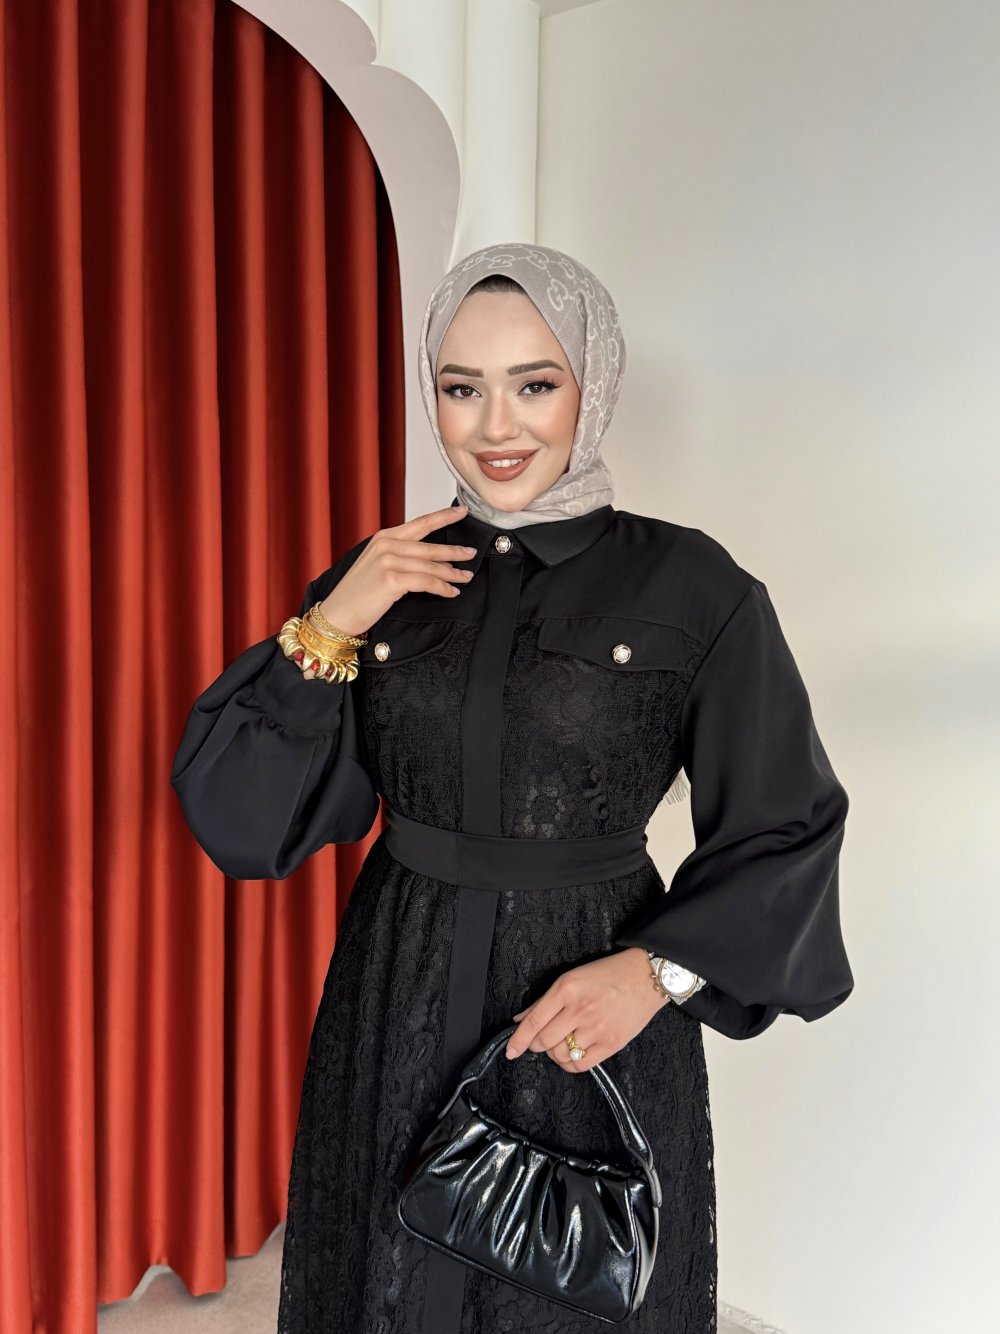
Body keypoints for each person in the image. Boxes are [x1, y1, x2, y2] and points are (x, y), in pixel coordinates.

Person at [170, 241, 853, 1333]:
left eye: (534, 384)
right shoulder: (382, 580)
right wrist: (331, 622)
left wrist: (658, 973)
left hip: (586, 1004)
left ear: (592, 383)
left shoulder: (693, 586)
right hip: (397, 985)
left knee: (561, 1291)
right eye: (461, 388)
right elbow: (244, 822)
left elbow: (787, 823)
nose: (496, 426)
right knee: (388, 1276)